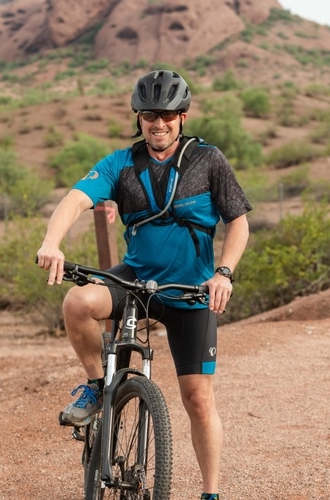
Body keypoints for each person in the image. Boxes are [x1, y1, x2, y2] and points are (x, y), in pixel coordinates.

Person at [36, 69, 252, 500]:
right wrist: (51, 242)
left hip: (191, 291)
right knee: (78, 302)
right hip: (136, 279)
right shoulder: (121, 164)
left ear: (183, 117)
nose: (159, 123)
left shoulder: (208, 160)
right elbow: (75, 200)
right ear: (138, 118)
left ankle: (210, 493)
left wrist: (223, 273)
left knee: (198, 400)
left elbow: (239, 223)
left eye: (168, 115)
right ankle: (98, 387)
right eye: (150, 115)